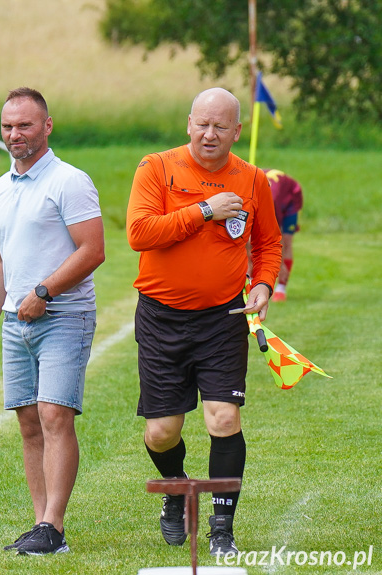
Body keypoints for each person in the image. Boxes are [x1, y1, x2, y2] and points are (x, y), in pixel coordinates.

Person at [126, 88, 281, 557]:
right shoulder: (157, 167)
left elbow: (268, 244)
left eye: (221, 127)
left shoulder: (253, 180)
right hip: (160, 317)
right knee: (161, 431)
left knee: (224, 418)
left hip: (222, 318)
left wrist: (264, 285)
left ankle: (221, 528)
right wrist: (204, 212)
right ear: (188, 123)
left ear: (237, 131)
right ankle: (176, 489)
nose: (209, 134)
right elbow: (140, 232)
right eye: (202, 124)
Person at [0, 87, 105, 555]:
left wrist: (44, 292)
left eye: (25, 125)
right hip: (14, 322)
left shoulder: (69, 181)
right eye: (8, 126)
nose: (15, 134)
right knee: (28, 421)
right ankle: (39, 524)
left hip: (64, 315)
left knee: (54, 415)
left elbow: (94, 251)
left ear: (47, 126)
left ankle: (55, 526)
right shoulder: (0, 186)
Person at [264, 169, 303, 302]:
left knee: (286, 242)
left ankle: (281, 288)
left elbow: (275, 238)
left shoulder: (270, 202)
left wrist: (279, 264)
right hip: (273, 195)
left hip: (291, 196)